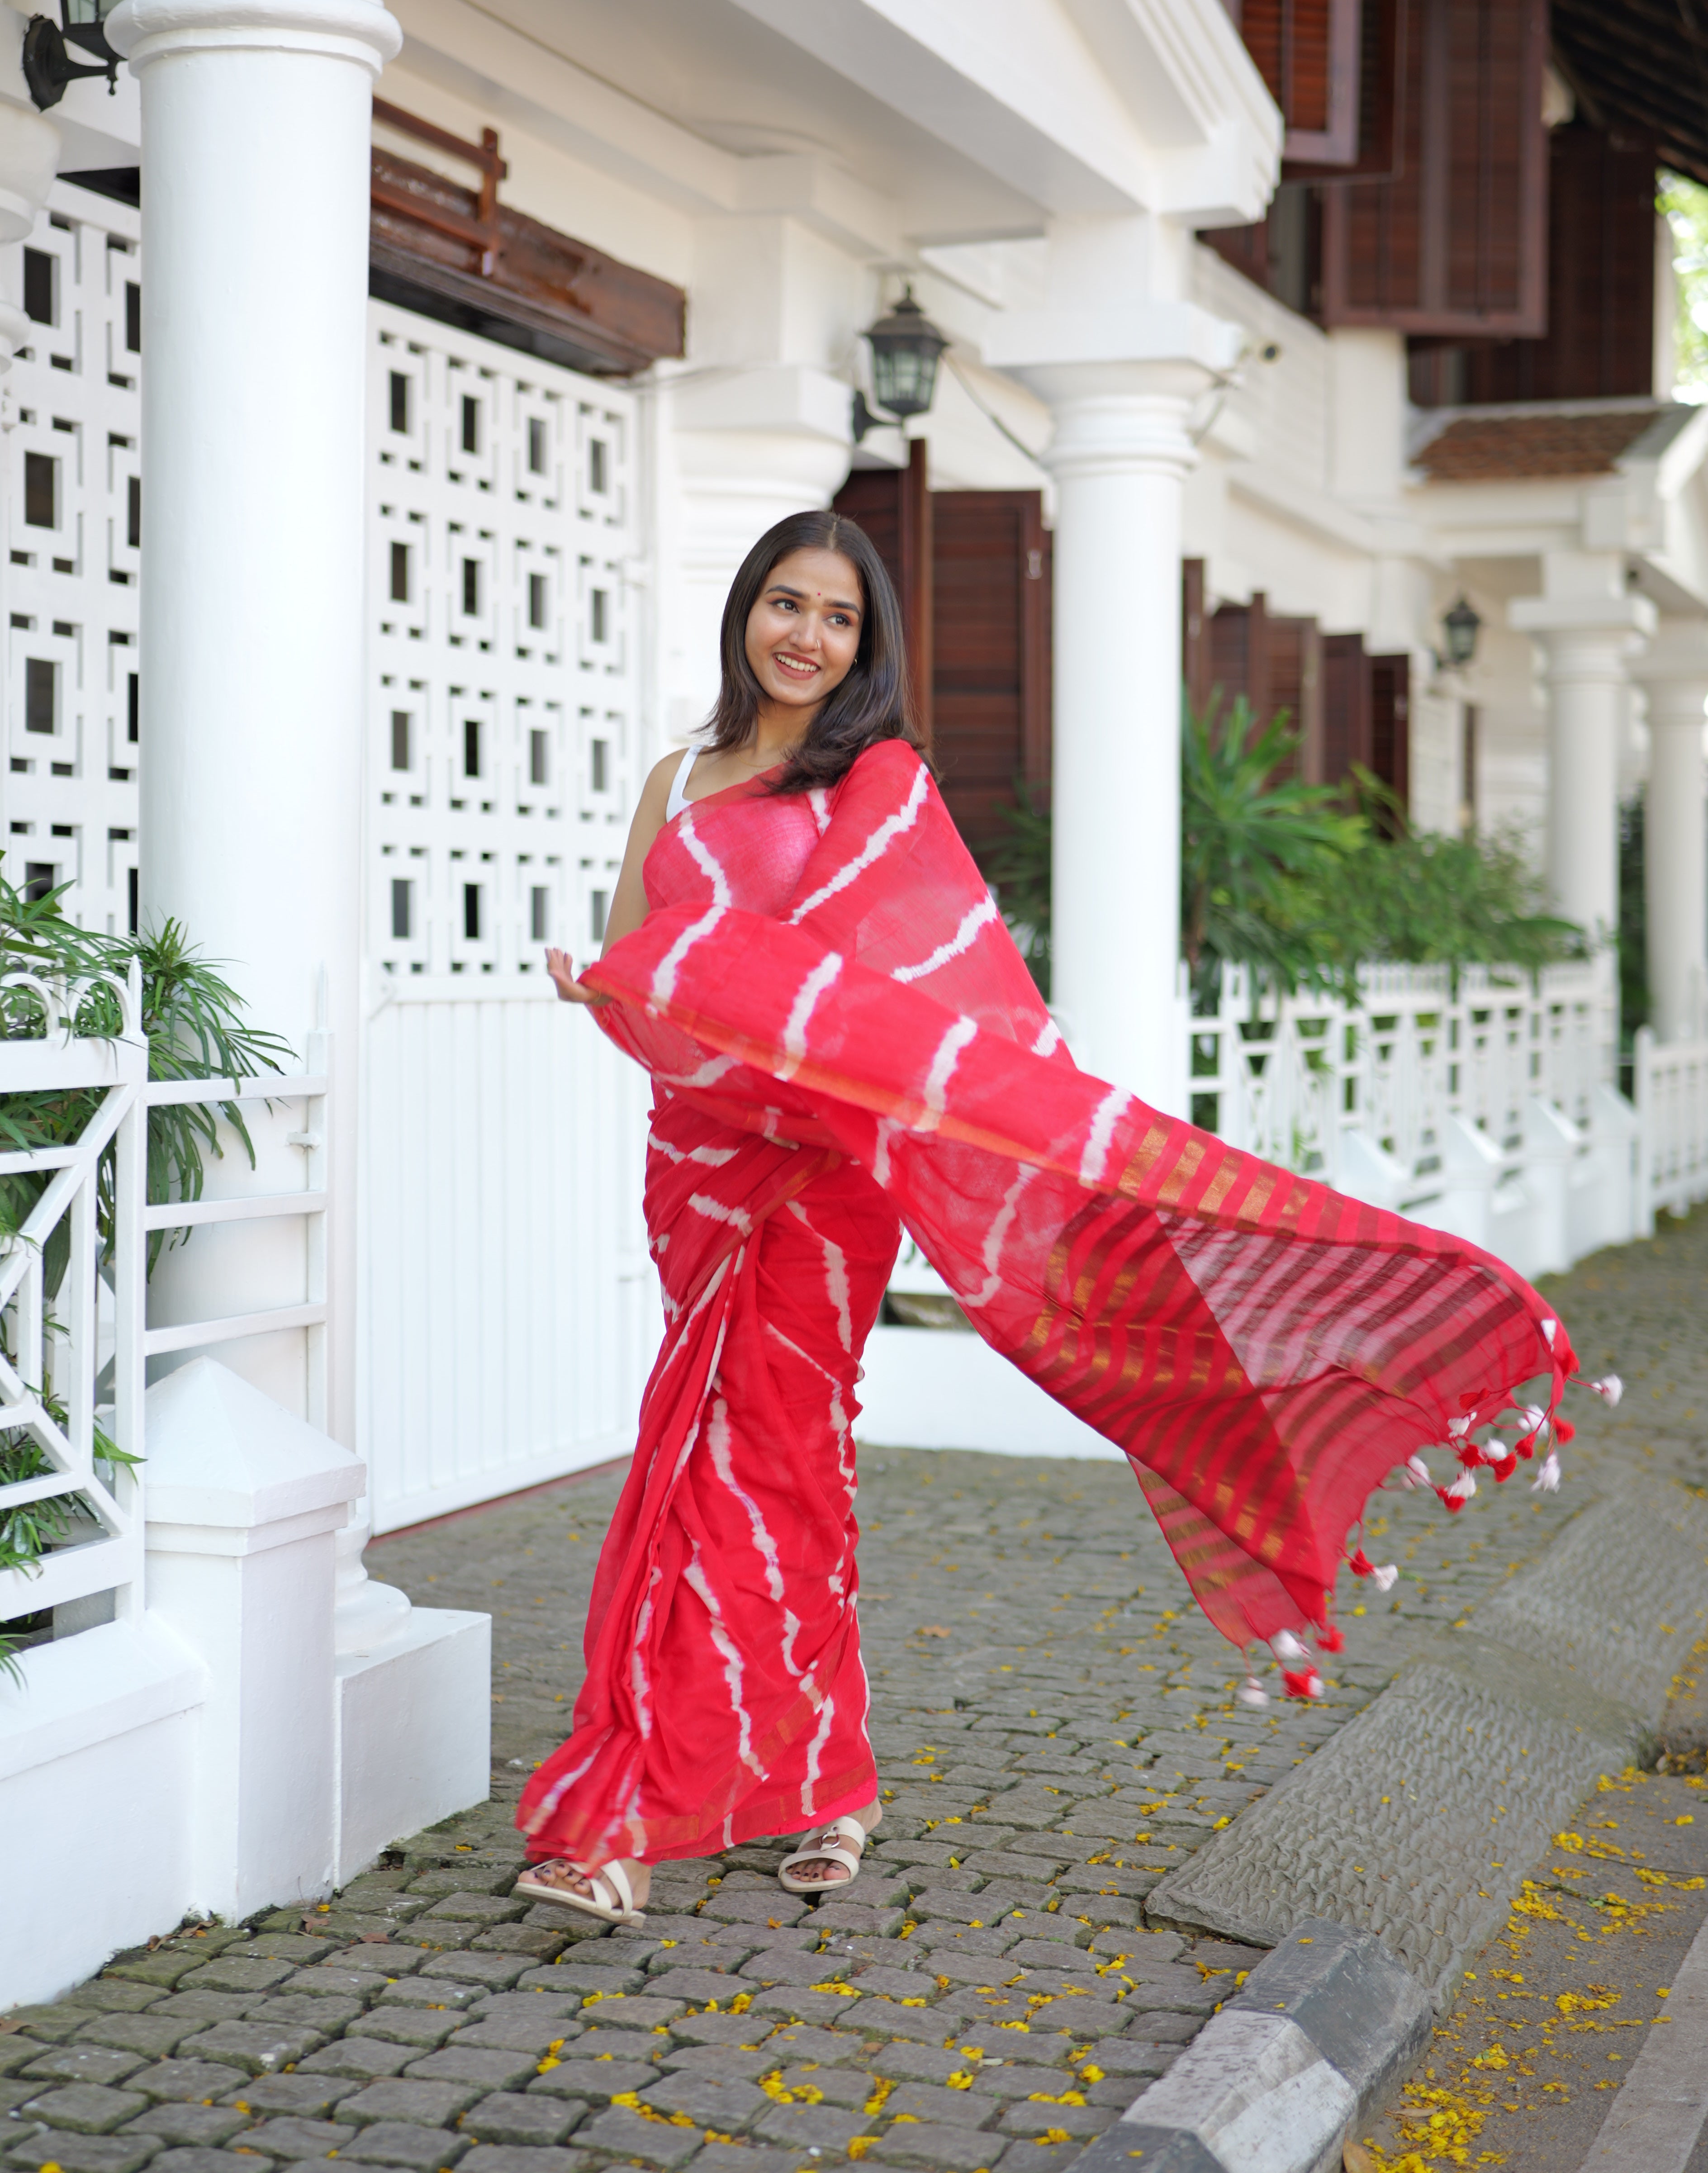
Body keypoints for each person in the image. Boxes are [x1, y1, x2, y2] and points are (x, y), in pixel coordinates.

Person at [512, 508, 1585, 1927]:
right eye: (785, 604)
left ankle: (632, 1813)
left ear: (866, 644)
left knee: (762, 1463)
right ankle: (825, 1780)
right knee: (743, 1460)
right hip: (702, 1170)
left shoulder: (879, 792)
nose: (805, 636)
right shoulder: (681, 777)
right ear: (742, 613)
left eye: (836, 618)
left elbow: (911, 1009)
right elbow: (655, 977)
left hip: (824, 1188)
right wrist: (601, 993)